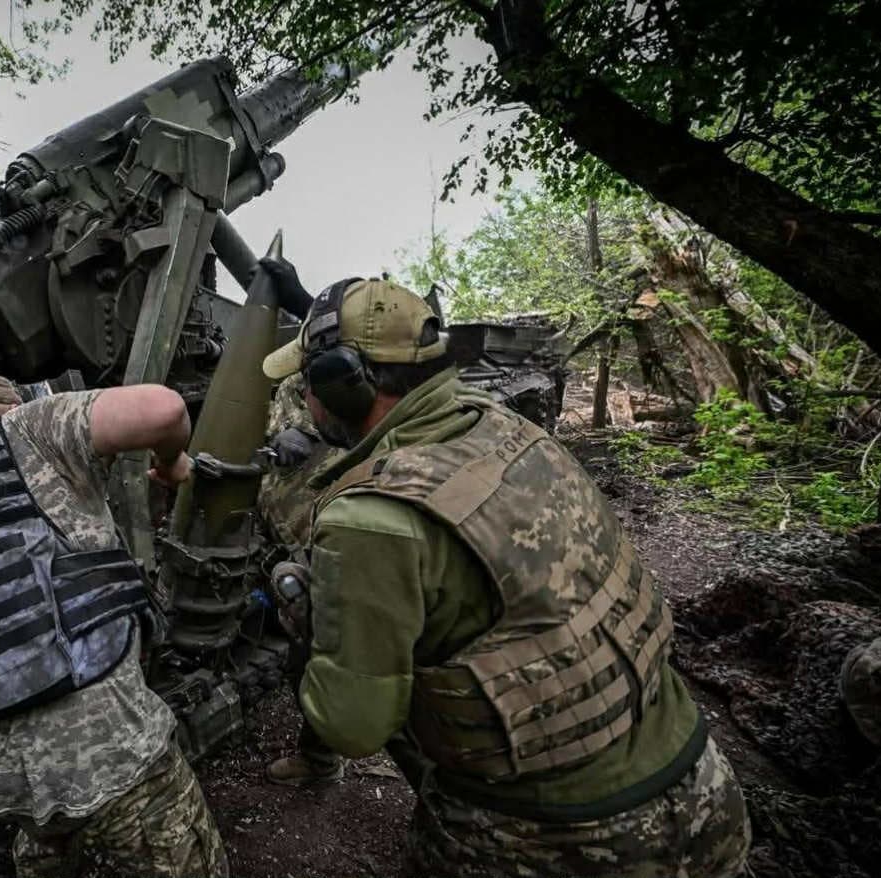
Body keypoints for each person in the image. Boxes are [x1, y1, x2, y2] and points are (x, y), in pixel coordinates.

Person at [259, 269, 752, 877]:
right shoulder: (504, 426)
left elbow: (352, 726)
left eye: (309, 383)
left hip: (561, 841)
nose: (306, 400)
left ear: (343, 385)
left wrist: (312, 616)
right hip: (700, 780)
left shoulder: (369, 519)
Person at [0, 372, 227, 878]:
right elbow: (165, 409)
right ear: (8, 407)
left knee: (52, 828)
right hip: (106, 752)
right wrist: (173, 464)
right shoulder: (26, 428)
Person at [257, 372, 344, 786]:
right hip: (298, 545)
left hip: (337, 546)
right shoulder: (295, 383)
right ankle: (320, 757)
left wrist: (307, 436)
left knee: (337, 659)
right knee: (303, 658)